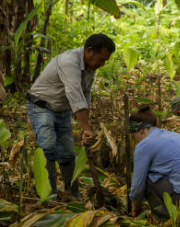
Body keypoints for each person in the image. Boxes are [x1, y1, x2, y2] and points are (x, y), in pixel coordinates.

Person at [26, 34, 115, 200]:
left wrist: (84, 126)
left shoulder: (89, 68)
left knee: (67, 153)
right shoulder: (69, 61)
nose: (102, 64)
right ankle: (48, 196)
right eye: (101, 59)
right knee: (48, 148)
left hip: (62, 110)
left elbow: (85, 95)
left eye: (105, 61)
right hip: (41, 106)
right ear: (89, 51)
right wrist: (86, 128)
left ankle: (71, 195)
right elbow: (74, 94)